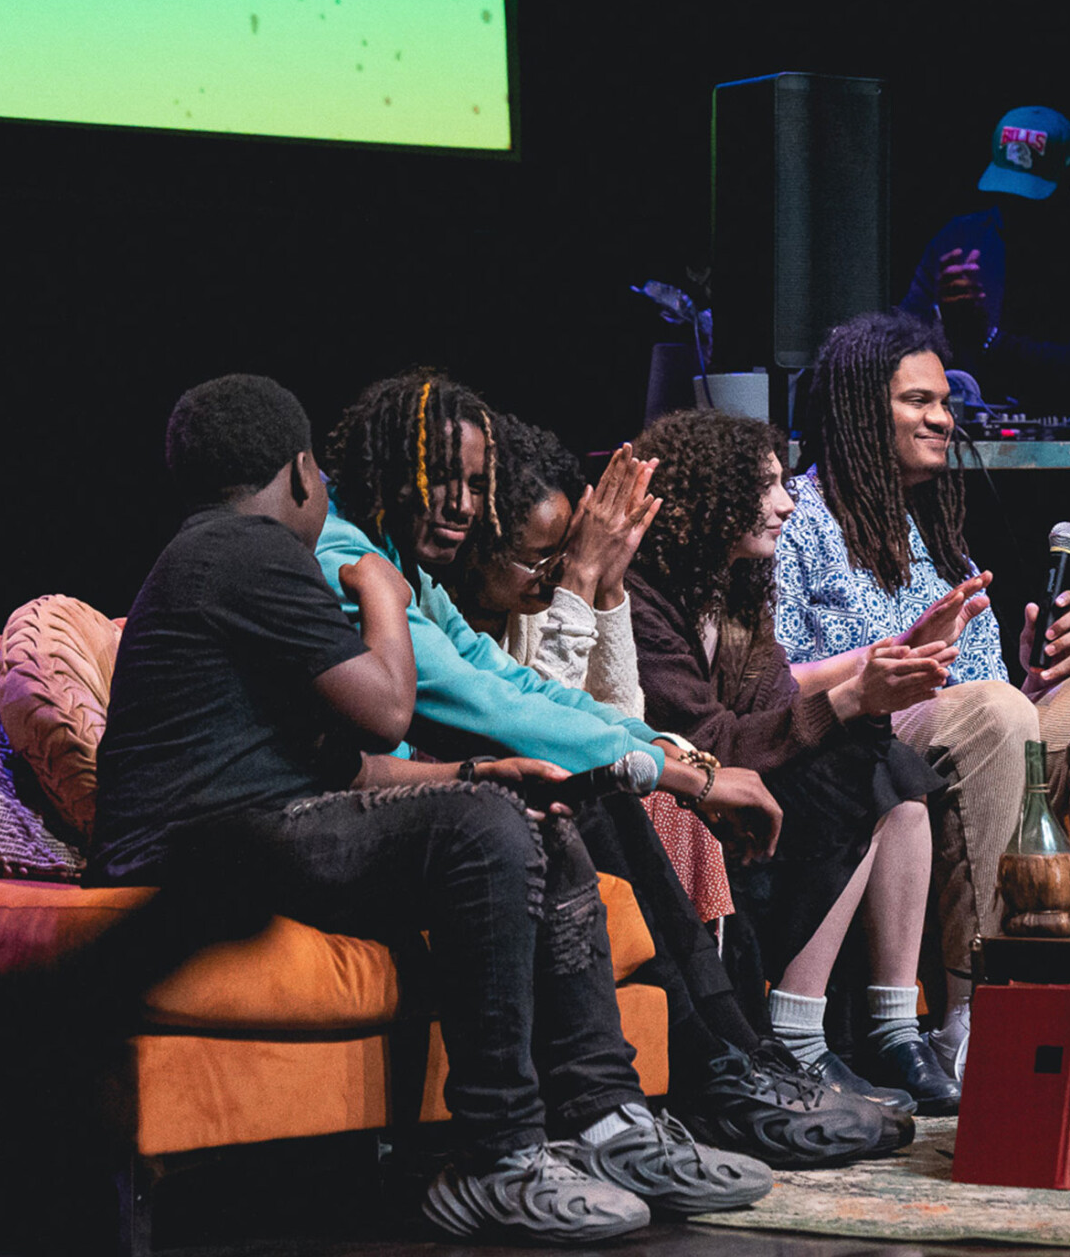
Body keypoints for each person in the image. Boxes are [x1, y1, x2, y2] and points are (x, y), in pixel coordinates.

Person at [90, 375, 769, 1246]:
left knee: (528, 811)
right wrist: (378, 591)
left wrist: (487, 769)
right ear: (303, 473)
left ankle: (606, 1121)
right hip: (191, 851)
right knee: (479, 824)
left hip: (251, 829)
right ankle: (497, 1155)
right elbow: (388, 711)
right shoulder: (248, 553)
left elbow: (351, 765)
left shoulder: (232, 558)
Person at [315, 370, 911, 1166]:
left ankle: (738, 1061)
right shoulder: (345, 560)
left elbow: (512, 685)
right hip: (361, 818)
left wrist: (674, 756)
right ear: (382, 469)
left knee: (611, 792)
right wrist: (689, 775)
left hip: (419, 806)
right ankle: (717, 1076)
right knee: (594, 796)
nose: (460, 504)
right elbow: (485, 708)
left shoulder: (407, 568)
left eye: (473, 485)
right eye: (440, 480)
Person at [772, 311, 1070, 1077]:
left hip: (976, 731)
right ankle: (976, 1015)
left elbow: (992, 696)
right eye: (917, 401)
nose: (942, 418)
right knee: (993, 713)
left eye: (944, 403)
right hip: (858, 744)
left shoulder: (935, 531)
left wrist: (1033, 678)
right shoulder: (797, 523)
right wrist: (897, 664)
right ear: (864, 409)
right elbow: (773, 689)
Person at [628, 409, 961, 1115]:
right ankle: (799, 1039)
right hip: (679, 804)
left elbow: (774, 710)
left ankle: (898, 1030)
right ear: (711, 493)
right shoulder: (643, 598)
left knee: (893, 774)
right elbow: (712, 740)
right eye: (767, 485)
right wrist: (849, 699)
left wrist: (878, 683)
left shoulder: (736, 593)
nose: (788, 502)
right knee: (867, 762)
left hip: (743, 801)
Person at [442, 420, 732, 929]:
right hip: (493, 806)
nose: (553, 573)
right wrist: (578, 581)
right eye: (538, 559)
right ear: (477, 544)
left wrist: (609, 587)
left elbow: (621, 713)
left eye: (565, 554)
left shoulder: (528, 609)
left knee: (677, 813)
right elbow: (543, 735)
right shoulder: (444, 620)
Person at [900, 104, 1070, 413]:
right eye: (1005, 194)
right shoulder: (960, 239)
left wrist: (989, 341)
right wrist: (940, 321)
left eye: (1030, 198)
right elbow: (901, 344)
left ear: (1068, 180)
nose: (1015, 209)